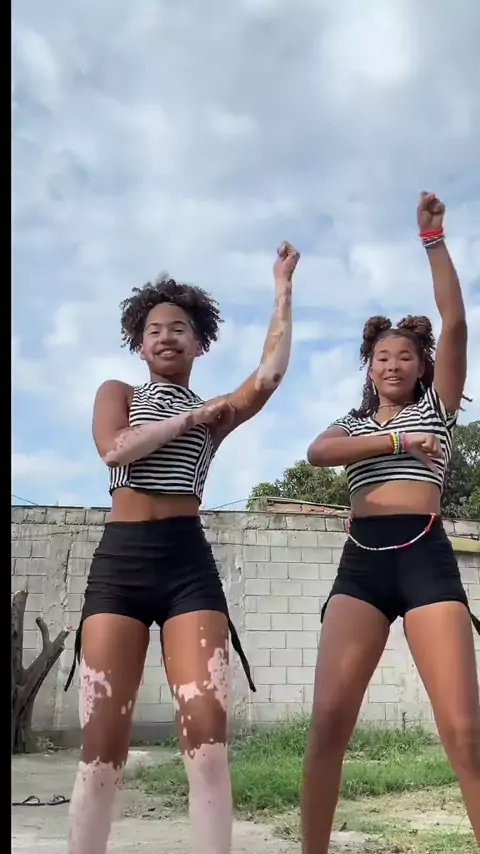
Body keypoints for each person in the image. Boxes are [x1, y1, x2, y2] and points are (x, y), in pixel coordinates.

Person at [65, 241, 300, 854]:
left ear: (199, 344)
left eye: (179, 329)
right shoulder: (118, 391)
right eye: (154, 330)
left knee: (208, 744)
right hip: (120, 565)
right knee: (101, 750)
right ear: (139, 345)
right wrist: (188, 421)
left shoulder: (214, 410)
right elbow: (115, 448)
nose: (166, 337)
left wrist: (282, 288)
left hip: (186, 567)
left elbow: (269, 376)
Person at [301, 193, 479, 853]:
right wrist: (397, 443)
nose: (393, 364)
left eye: (405, 355)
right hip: (362, 567)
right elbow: (318, 453)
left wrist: (434, 239)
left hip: (426, 558)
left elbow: (455, 324)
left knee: (464, 732)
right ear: (369, 367)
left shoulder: (438, 409)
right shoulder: (351, 426)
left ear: (422, 366)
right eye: (382, 356)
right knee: (327, 724)